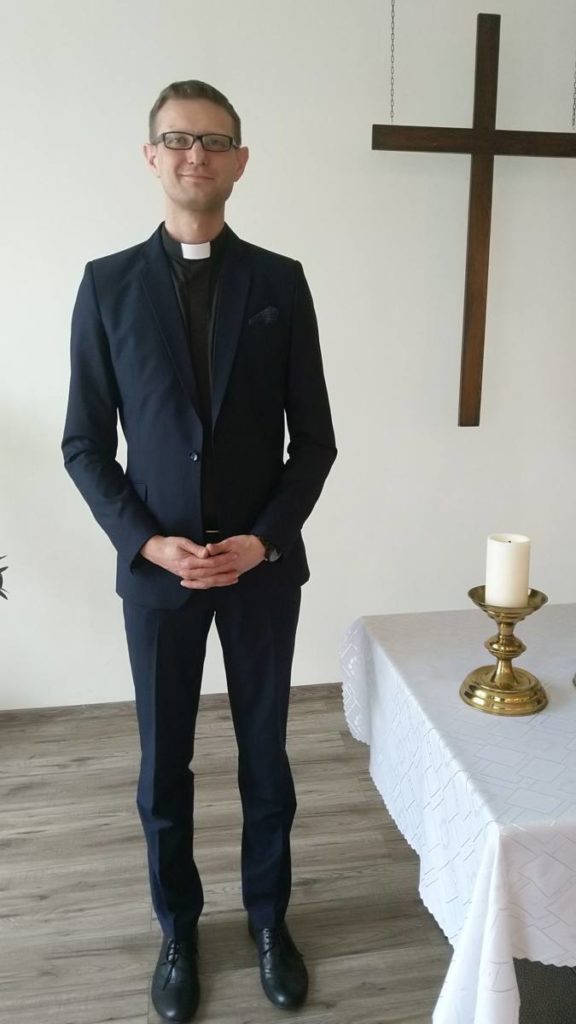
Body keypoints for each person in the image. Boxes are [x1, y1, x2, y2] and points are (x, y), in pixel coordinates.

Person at [62, 79, 336, 1022]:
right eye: (178, 139)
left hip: (260, 573)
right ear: (151, 156)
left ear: (240, 160)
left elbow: (316, 444)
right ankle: (178, 929)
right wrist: (148, 542)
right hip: (159, 577)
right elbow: (84, 444)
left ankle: (269, 922)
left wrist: (263, 541)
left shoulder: (281, 283)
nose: (196, 155)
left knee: (266, 757)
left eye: (215, 141)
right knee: (162, 766)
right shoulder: (106, 285)